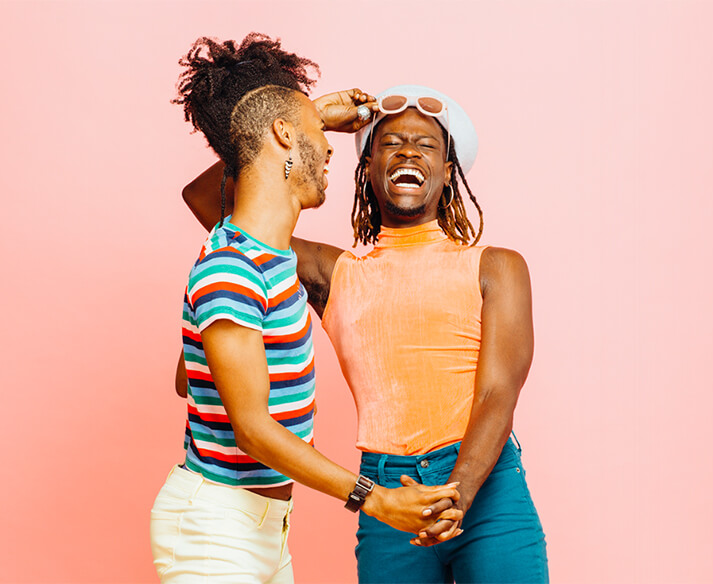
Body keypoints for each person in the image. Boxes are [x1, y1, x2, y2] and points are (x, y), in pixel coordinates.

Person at [181, 84, 549, 583]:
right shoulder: (334, 273)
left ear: (448, 171)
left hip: (486, 489)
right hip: (386, 495)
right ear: (367, 170)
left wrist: (454, 494)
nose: (408, 151)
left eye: (426, 145)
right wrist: (307, 120)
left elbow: (496, 392)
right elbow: (206, 199)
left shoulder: (496, 267)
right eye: (391, 143)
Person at [153, 36, 463, 584]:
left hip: (262, 526)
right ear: (284, 137)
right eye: (320, 135)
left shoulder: (257, 256)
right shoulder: (233, 267)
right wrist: (375, 500)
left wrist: (304, 118)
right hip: (217, 527)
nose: (330, 150)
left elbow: (189, 380)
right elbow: (250, 428)